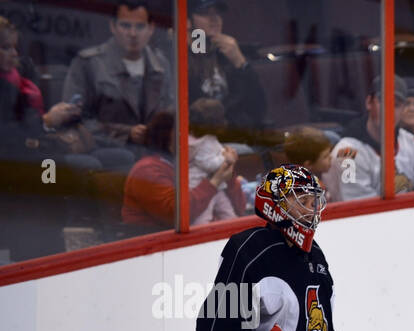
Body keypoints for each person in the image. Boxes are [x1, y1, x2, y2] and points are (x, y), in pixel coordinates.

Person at [171, 164, 335, 331]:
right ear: (275, 204)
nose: (311, 206)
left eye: (313, 199)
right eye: (301, 198)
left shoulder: (316, 258)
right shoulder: (251, 249)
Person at [62, 2, 173, 167]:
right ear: (113, 26)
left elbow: (172, 113)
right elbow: (73, 119)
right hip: (108, 157)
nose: (133, 33)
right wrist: (126, 134)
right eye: (125, 26)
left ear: (151, 28)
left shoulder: (162, 65)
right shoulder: (88, 63)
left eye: (140, 26)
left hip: (157, 157)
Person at [320, 75, 414, 201]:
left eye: (396, 105)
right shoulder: (347, 153)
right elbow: (360, 208)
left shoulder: (410, 142)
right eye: (384, 102)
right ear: (369, 103)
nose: (389, 110)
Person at [121, 109, 244, 228]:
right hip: (161, 244)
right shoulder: (147, 169)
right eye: (188, 132)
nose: (196, 139)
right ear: (169, 137)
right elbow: (176, 216)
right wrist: (215, 182)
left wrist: (228, 174)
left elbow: (240, 209)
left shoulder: (192, 163)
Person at [187, 0, 267, 139]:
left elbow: (259, 109)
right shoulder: (180, 58)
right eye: (205, 14)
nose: (214, 19)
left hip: (238, 137)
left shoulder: (229, 54)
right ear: (188, 21)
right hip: (202, 138)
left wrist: (240, 63)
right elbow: (199, 113)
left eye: (217, 13)